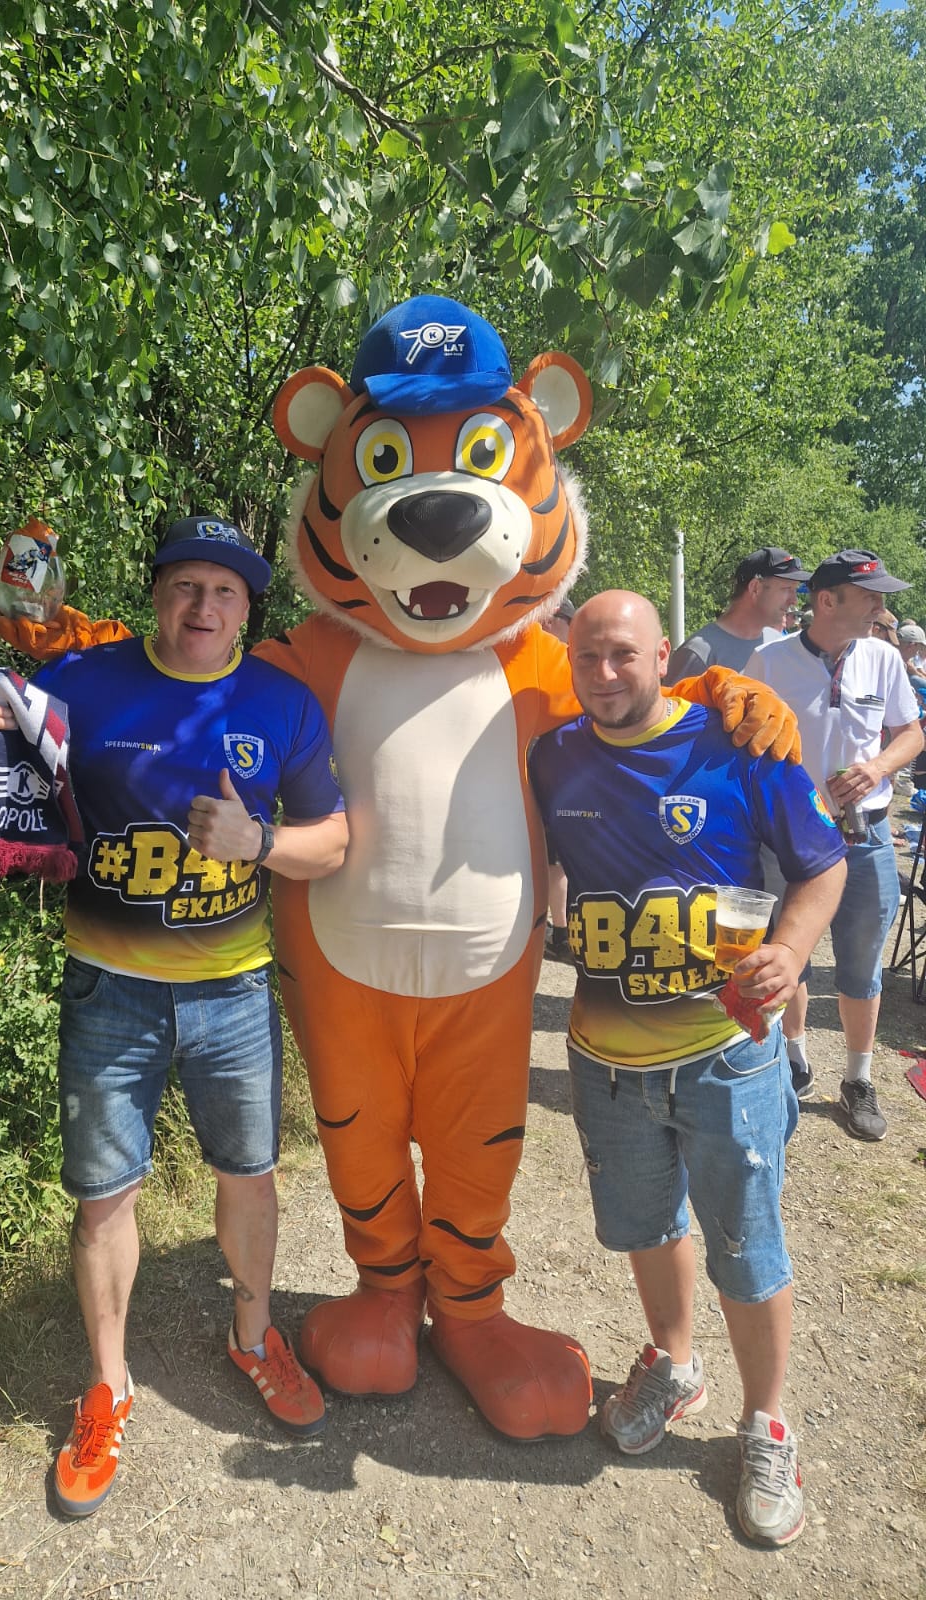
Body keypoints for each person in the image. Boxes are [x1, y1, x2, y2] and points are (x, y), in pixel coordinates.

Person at [0, 516, 348, 1517]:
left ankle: (253, 1339)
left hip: (233, 991)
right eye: (186, 586)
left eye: (225, 591)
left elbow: (335, 840)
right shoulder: (82, 683)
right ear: (157, 593)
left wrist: (261, 841)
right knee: (103, 1200)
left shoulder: (284, 702)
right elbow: (7, 796)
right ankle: (108, 1387)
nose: (203, 606)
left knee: (249, 1179)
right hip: (108, 989)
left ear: (248, 608)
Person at [533, 591, 846, 1547]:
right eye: (588, 656)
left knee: (747, 1246)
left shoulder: (741, 741)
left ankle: (767, 1423)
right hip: (605, 1062)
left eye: (625, 654)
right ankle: (674, 1365)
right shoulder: (552, 756)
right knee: (647, 1225)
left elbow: (822, 863)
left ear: (664, 654)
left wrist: (791, 950)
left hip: (726, 1057)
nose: (604, 673)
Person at [745, 550, 922, 1137]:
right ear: (827, 601)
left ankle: (858, 1078)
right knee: (788, 952)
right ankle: (794, 1061)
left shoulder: (883, 658)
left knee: (862, 960)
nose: (881, 608)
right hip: (790, 835)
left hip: (866, 833)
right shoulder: (769, 661)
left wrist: (877, 769)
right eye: (870, 597)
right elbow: (742, 741)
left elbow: (911, 733)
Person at [664, 546, 810, 684]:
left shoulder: (777, 643)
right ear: (755, 588)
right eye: (787, 589)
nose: (794, 600)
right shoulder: (699, 654)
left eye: (794, 590)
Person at [540, 598, 574, 960]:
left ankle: (563, 933)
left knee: (557, 863)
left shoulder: (567, 661)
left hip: (564, 775)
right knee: (556, 863)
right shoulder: (549, 660)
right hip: (554, 774)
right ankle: (562, 933)